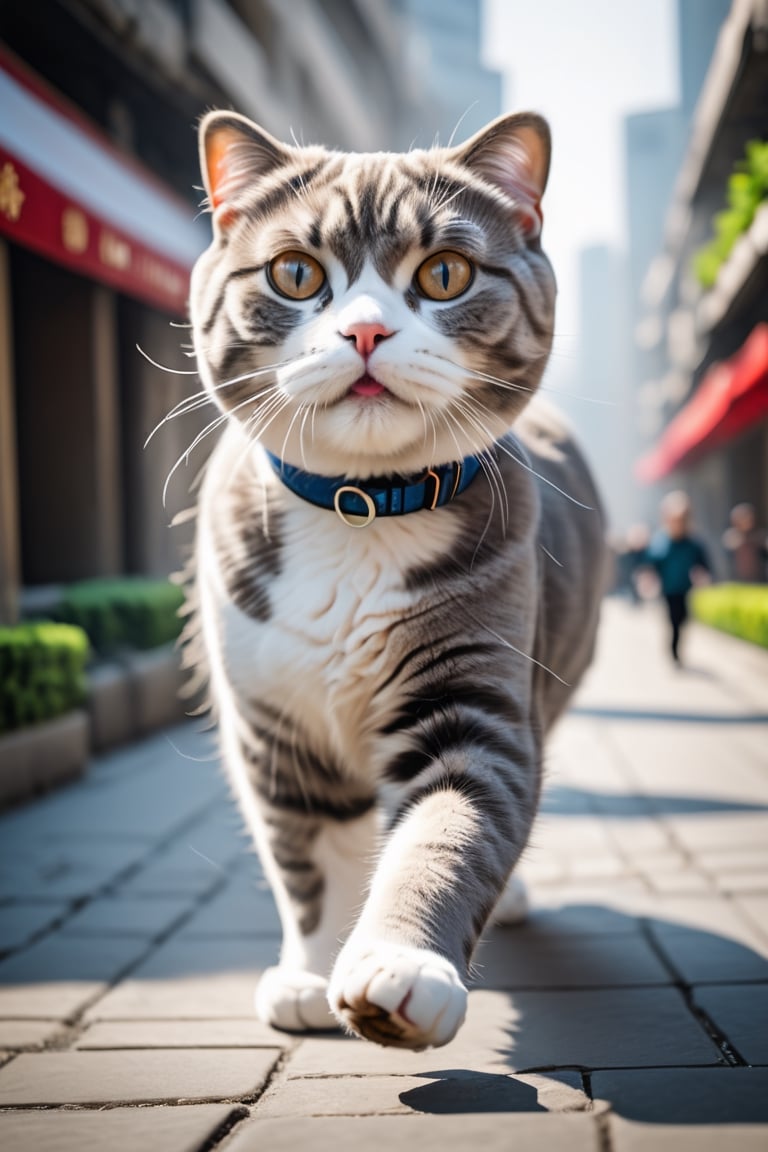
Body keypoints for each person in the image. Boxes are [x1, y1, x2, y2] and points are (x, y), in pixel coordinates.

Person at [644, 491, 711, 665]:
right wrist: (649, 580)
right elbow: (652, 564)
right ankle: (674, 651)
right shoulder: (661, 541)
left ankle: (677, 646)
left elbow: (703, 562)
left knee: (684, 618)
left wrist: (703, 575)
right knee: (673, 619)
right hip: (668, 589)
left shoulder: (692, 543)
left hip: (684, 587)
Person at [722, 502, 767, 582]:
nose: (746, 520)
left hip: (759, 579)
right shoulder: (731, 537)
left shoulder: (760, 536)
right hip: (737, 580)